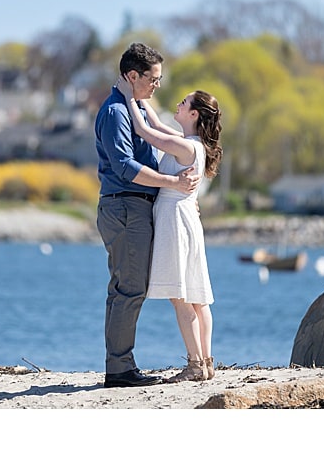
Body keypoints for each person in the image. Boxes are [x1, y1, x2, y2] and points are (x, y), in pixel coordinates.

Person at [95, 42, 200, 389]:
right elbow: (125, 167)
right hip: (126, 205)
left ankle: (120, 365)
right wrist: (174, 182)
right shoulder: (115, 113)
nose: (157, 85)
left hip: (133, 207)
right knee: (129, 289)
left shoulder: (131, 107)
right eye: (152, 79)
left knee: (125, 288)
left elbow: (156, 130)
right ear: (132, 76)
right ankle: (120, 370)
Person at [119, 77, 223, 383]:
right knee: (198, 297)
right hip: (187, 218)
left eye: (184, 102)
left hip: (175, 219)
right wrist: (142, 101)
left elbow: (144, 131)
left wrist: (127, 97)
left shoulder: (184, 146)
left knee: (181, 297)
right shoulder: (194, 144)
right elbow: (158, 127)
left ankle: (194, 364)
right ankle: (206, 362)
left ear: (194, 114)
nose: (178, 104)